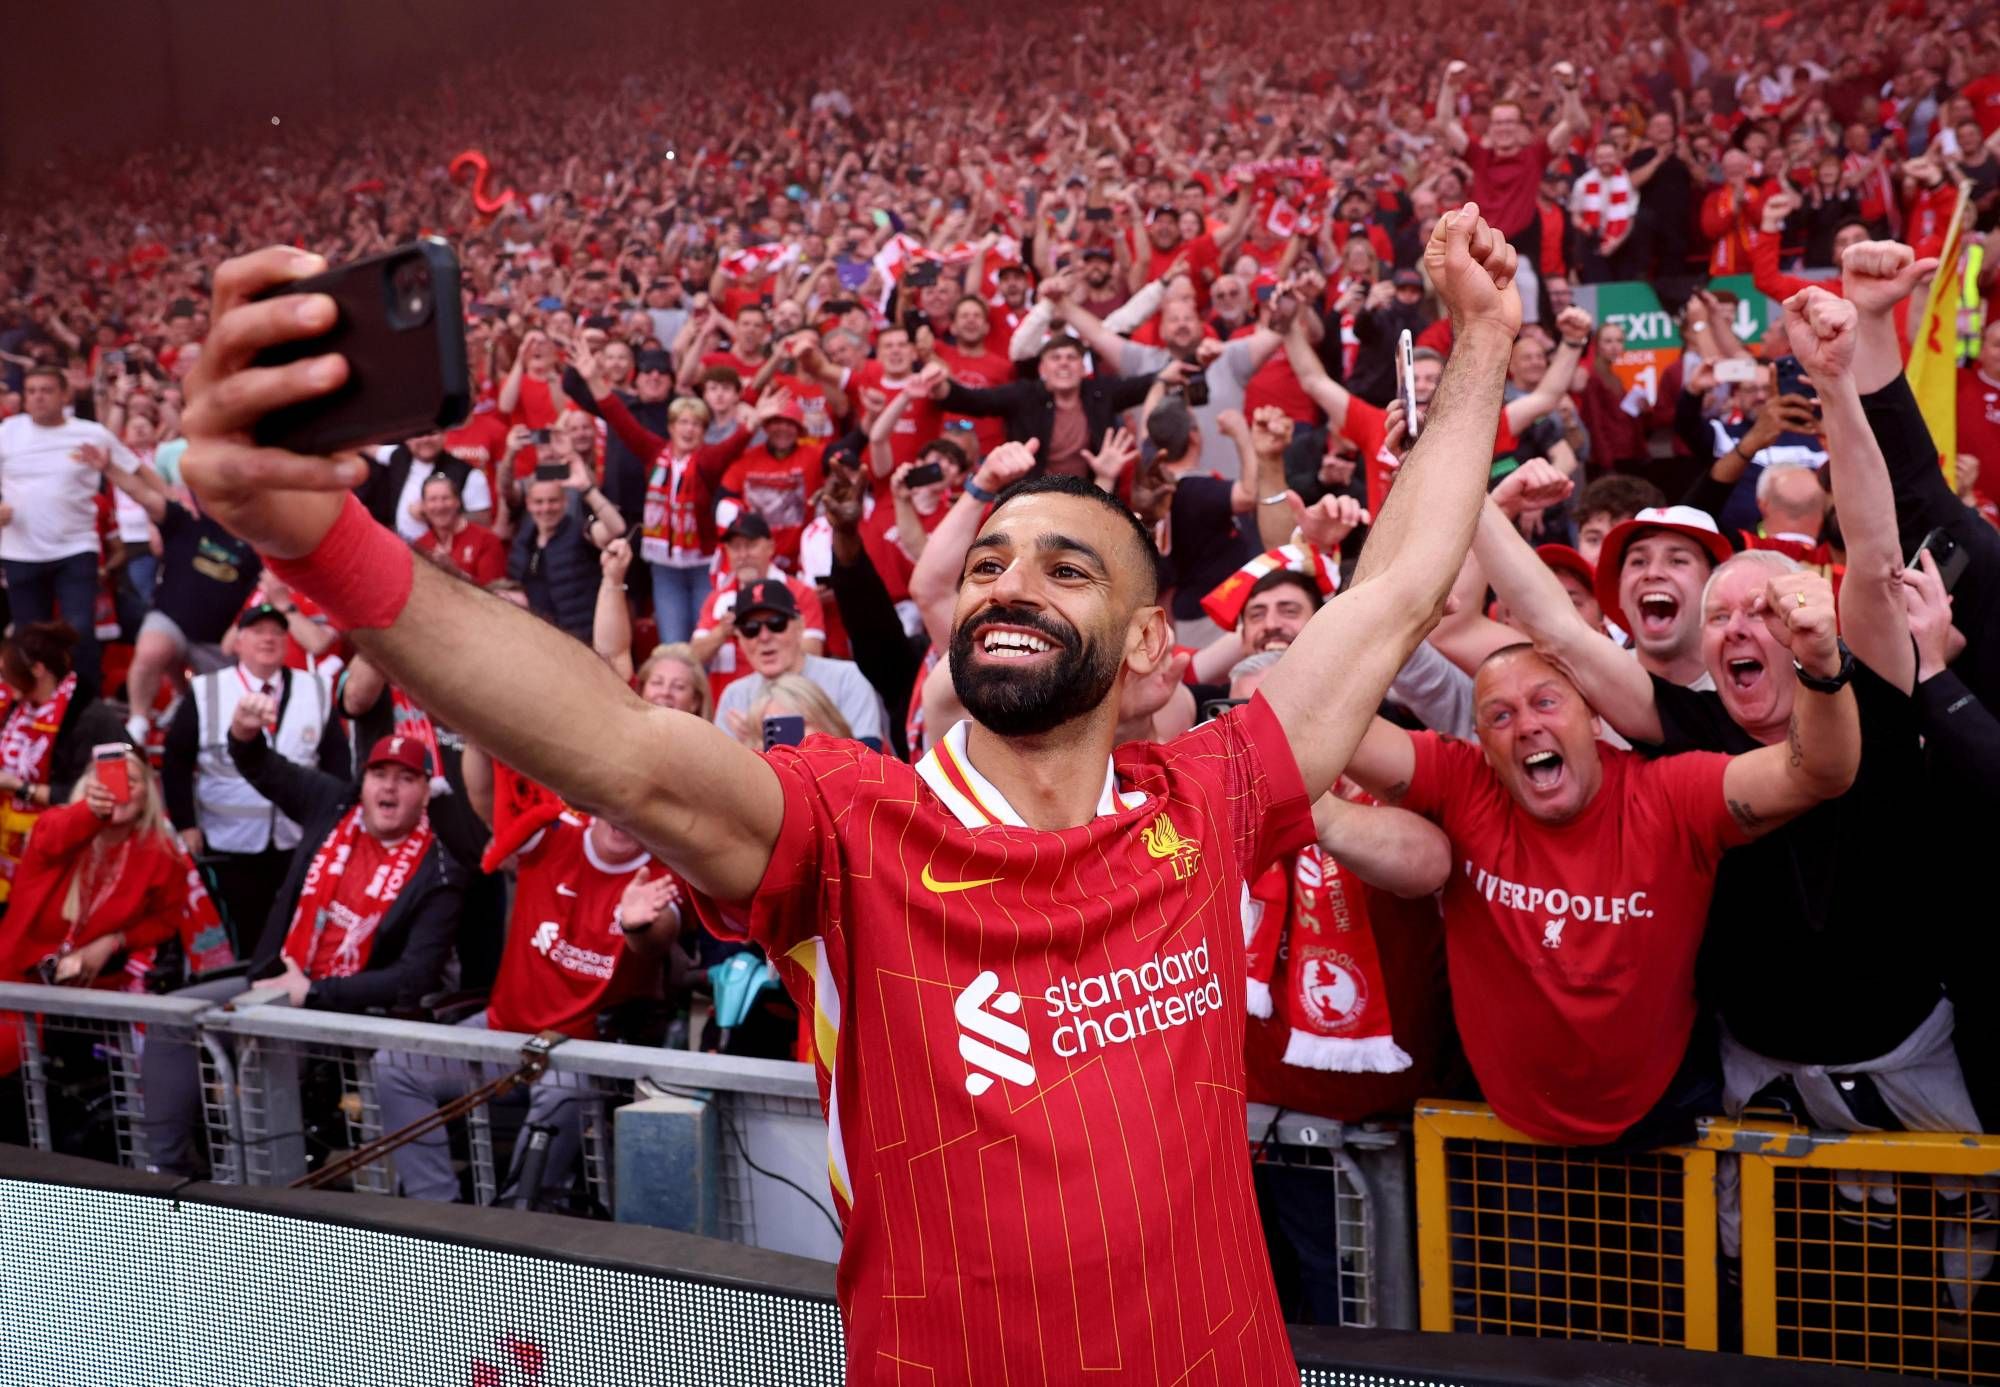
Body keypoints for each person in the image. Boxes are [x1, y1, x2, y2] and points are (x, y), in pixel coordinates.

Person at [180, 209, 1523, 1385]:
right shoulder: (850, 828)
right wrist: (325, 542)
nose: (1008, 581)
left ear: (1151, 649)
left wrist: (1480, 337)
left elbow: (1399, 585)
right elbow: (619, 745)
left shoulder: (1213, 797)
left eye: (1066, 569)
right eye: (988, 562)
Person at [1336, 617, 1860, 1145]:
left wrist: (1821, 664)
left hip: (1656, 1124)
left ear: (1592, 719)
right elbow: (1328, 723)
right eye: (1500, 715)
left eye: (1546, 702)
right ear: (1484, 745)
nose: (1527, 726)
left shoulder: (1670, 796)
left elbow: (1816, 772)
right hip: (1504, 1128)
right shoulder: (1463, 781)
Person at [143, 711, 463, 1177]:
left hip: (346, 1010)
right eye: (379, 774)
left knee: (268, 1043)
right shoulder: (332, 804)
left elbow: (414, 979)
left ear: (426, 792)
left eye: (406, 778)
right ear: (363, 781)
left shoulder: (440, 871)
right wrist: (243, 732)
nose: (389, 788)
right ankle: (167, 1168)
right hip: (274, 982)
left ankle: (256, 1191)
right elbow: (260, 765)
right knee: (169, 1018)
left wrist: (311, 993)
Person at [374, 784, 678, 1208]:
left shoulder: (662, 873)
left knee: (560, 1093)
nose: (620, 816)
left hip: (581, 1054)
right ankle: (437, 1212)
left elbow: (659, 938)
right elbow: (486, 798)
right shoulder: (551, 833)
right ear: (592, 801)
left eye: (634, 807)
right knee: (394, 1065)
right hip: (502, 1033)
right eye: (612, 800)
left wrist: (635, 925)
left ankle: (518, 1219)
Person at [162, 602, 347, 949]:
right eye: (258, 631)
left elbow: (337, 761)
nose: (268, 638)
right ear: (238, 642)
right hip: (229, 841)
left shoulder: (316, 689)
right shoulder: (206, 690)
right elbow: (176, 760)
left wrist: (334, 823)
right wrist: (186, 823)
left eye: (277, 632)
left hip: (296, 840)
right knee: (243, 935)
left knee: (292, 935)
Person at [0, 744, 185, 1000]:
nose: (117, 790)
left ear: (146, 797)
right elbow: (55, 837)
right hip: (20, 984)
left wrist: (115, 941)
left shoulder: (161, 853)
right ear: (87, 788)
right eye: (105, 781)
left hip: (97, 993)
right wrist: (92, 812)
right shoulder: (54, 824)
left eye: (130, 781)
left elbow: (165, 921)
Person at [0, 365, 142, 691]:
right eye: (31, 391)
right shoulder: (6, 432)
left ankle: (85, 702)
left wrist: (170, 499)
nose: (38, 397)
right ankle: (35, 702)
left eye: (46, 390)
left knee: (80, 629)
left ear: (65, 395)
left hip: (76, 547)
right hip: (20, 551)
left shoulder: (91, 433)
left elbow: (133, 469)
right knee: (28, 636)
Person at [0, 623, 127, 905]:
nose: (3, 680)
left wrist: (17, 787)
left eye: (8, 672)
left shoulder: (91, 719)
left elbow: (106, 796)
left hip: (70, 854)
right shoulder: (16, 708)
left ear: (37, 669)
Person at [931, 333, 1157, 481]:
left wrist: (1169, 373)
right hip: (1032, 497)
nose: (1064, 363)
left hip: (1089, 495)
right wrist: (940, 385)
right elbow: (975, 400)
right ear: (1042, 369)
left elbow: (1144, 385)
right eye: (1055, 358)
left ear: (1083, 369)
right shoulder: (1024, 395)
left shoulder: (1100, 393)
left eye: (1071, 358)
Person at [712, 579, 887, 746]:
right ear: (739, 637)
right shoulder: (734, 696)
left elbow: (869, 757)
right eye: (751, 628)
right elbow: (718, 766)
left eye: (776, 624)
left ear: (800, 626)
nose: (764, 637)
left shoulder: (847, 678)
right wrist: (745, 749)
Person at [687, 512, 826, 704]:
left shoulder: (799, 593)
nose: (743, 555)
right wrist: (722, 632)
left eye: (751, 545)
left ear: (771, 547)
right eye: (735, 547)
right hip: (729, 707)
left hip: (786, 702)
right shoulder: (716, 599)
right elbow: (692, 659)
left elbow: (812, 654)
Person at [505, 454, 627, 643]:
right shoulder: (524, 538)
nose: (546, 508)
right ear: (528, 504)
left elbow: (616, 528)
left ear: (565, 502)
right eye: (539, 502)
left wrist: (587, 489)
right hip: (534, 638)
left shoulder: (579, 530)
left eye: (553, 500)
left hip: (578, 640)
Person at [412, 472, 507, 586]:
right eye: (432, 499)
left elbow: (494, 592)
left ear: (458, 502)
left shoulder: (486, 540)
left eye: (446, 498)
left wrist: (457, 573)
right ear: (423, 505)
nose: (440, 506)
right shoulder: (420, 546)